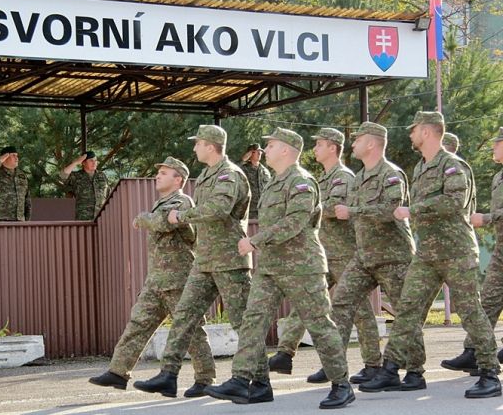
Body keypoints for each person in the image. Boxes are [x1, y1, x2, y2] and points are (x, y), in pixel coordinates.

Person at [204, 127, 355, 409]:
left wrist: (255, 241)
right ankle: (248, 381)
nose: (265, 150)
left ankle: (341, 384)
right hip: (271, 266)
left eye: (271, 145)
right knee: (252, 320)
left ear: (286, 150)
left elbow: (294, 222)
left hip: (302, 267)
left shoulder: (302, 182)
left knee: (319, 324)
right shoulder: (273, 183)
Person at [360, 112, 501, 399]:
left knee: (470, 311)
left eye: (414, 130)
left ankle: (489, 373)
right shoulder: (420, 167)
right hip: (427, 253)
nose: (410, 134)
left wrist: (413, 210)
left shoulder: (452, 165)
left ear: (426, 131)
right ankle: (393, 369)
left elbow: (455, 201)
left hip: (456, 252)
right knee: (408, 308)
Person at [133, 124, 254, 398]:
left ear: (210, 146)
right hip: (205, 259)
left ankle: (257, 380)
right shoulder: (207, 175)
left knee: (242, 322)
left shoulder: (229, 174)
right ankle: (169, 375)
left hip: (229, 260)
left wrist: (182, 216)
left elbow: (218, 209)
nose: (194, 147)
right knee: (184, 316)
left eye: (198, 143)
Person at [88, 157, 215, 397]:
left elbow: (163, 223)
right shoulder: (161, 203)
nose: (158, 176)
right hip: (157, 281)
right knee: (138, 324)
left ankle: (205, 379)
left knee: (191, 330)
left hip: (178, 280)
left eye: (164, 173)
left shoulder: (182, 201)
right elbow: (160, 220)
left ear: (178, 180)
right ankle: (118, 372)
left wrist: (142, 217)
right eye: (159, 172)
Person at [269, 128, 382, 385]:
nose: (315, 149)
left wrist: (308, 207)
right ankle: (286, 353)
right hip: (324, 253)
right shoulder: (321, 178)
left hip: (344, 254)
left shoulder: (343, 177)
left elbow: (338, 209)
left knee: (359, 311)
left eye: (319, 144)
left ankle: (373, 364)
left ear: (333, 148)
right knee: (306, 303)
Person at [316, 122, 423, 390]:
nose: (353, 144)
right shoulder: (360, 177)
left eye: (358, 139)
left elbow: (390, 210)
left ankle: (414, 371)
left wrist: (353, 211)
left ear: (372, 143)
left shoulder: (391, 174)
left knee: (404, 312)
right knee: (341, 303)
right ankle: (336, 367)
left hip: (393, 256)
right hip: (364, 256)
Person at [442, 128, 503, 373]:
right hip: (501, 247)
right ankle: (474, 351)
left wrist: (487, 218)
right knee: (488, 299)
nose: (493, 147)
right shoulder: (498, 177)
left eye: (497, 143)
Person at [60, 150, 110, 220]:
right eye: (91, 161)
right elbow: (62, 175)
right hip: (83, 218)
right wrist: (76, 162)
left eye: (95, 160)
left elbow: (108, 195)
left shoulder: (102, 176)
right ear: (83, 163)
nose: (94, 163)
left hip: (102, 217)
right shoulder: (76, 176)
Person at [239, 143, 271, 219]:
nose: (259, 153)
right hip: (248, 210)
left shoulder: (265, 171)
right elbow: (232, 172)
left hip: (263, 210)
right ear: (250, 154)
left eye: (260, 151)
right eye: (256, 151)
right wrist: (242, 160)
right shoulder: (243, 168)